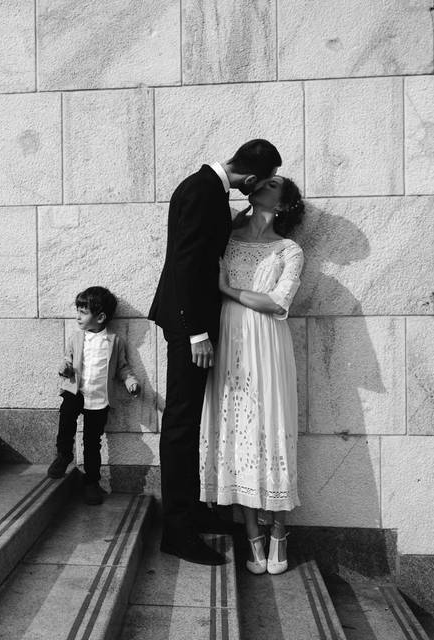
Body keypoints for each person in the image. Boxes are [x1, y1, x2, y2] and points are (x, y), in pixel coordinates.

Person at [149, 139, 282, 565]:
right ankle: (177, 531)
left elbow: (201, 251)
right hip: (189, 325)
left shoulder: (207, 188)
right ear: (252, 179)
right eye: (258, 186)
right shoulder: (203, 191)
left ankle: (194, 515)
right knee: (182, 425)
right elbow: (187, 263)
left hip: (193, 322)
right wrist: (195, 334)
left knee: (191, 422)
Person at [200, 176, 305, 575]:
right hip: (230, 339)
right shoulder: (225, 238)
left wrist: (227, 290)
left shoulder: (288, 250)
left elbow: (279, 303)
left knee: (272, 426)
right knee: (236, 427)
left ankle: (279, 529)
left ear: (283, 203)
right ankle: (251, 534)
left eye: (273, 184)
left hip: (269, 344)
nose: (262, 184)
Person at [49, 286, 140, 505]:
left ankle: (91, 482)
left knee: (92, 442)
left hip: (99, 399)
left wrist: (131, 382)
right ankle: (64, 454)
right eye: (77, 310)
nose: (77, 316)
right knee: (66, 419)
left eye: (83, 312)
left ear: (100, 317)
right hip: (76, 391)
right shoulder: (76, 338)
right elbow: (68, 359)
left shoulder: (115, 341)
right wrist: (65, 368)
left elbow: (123, 368)